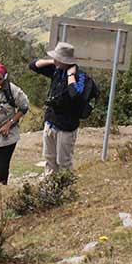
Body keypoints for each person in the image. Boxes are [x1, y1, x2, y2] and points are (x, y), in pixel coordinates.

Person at [29, 42, 89, 174]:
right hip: (51, 122)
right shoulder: (57, 69)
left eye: (58, 58)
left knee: (63, 161)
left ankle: (65, 187)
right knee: (49, 158)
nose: (55, 60)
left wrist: (70, 76)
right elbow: (33, 65)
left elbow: (75, 94)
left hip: (66, 126)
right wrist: (53, 61)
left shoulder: (80, 76)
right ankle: (50, 186)